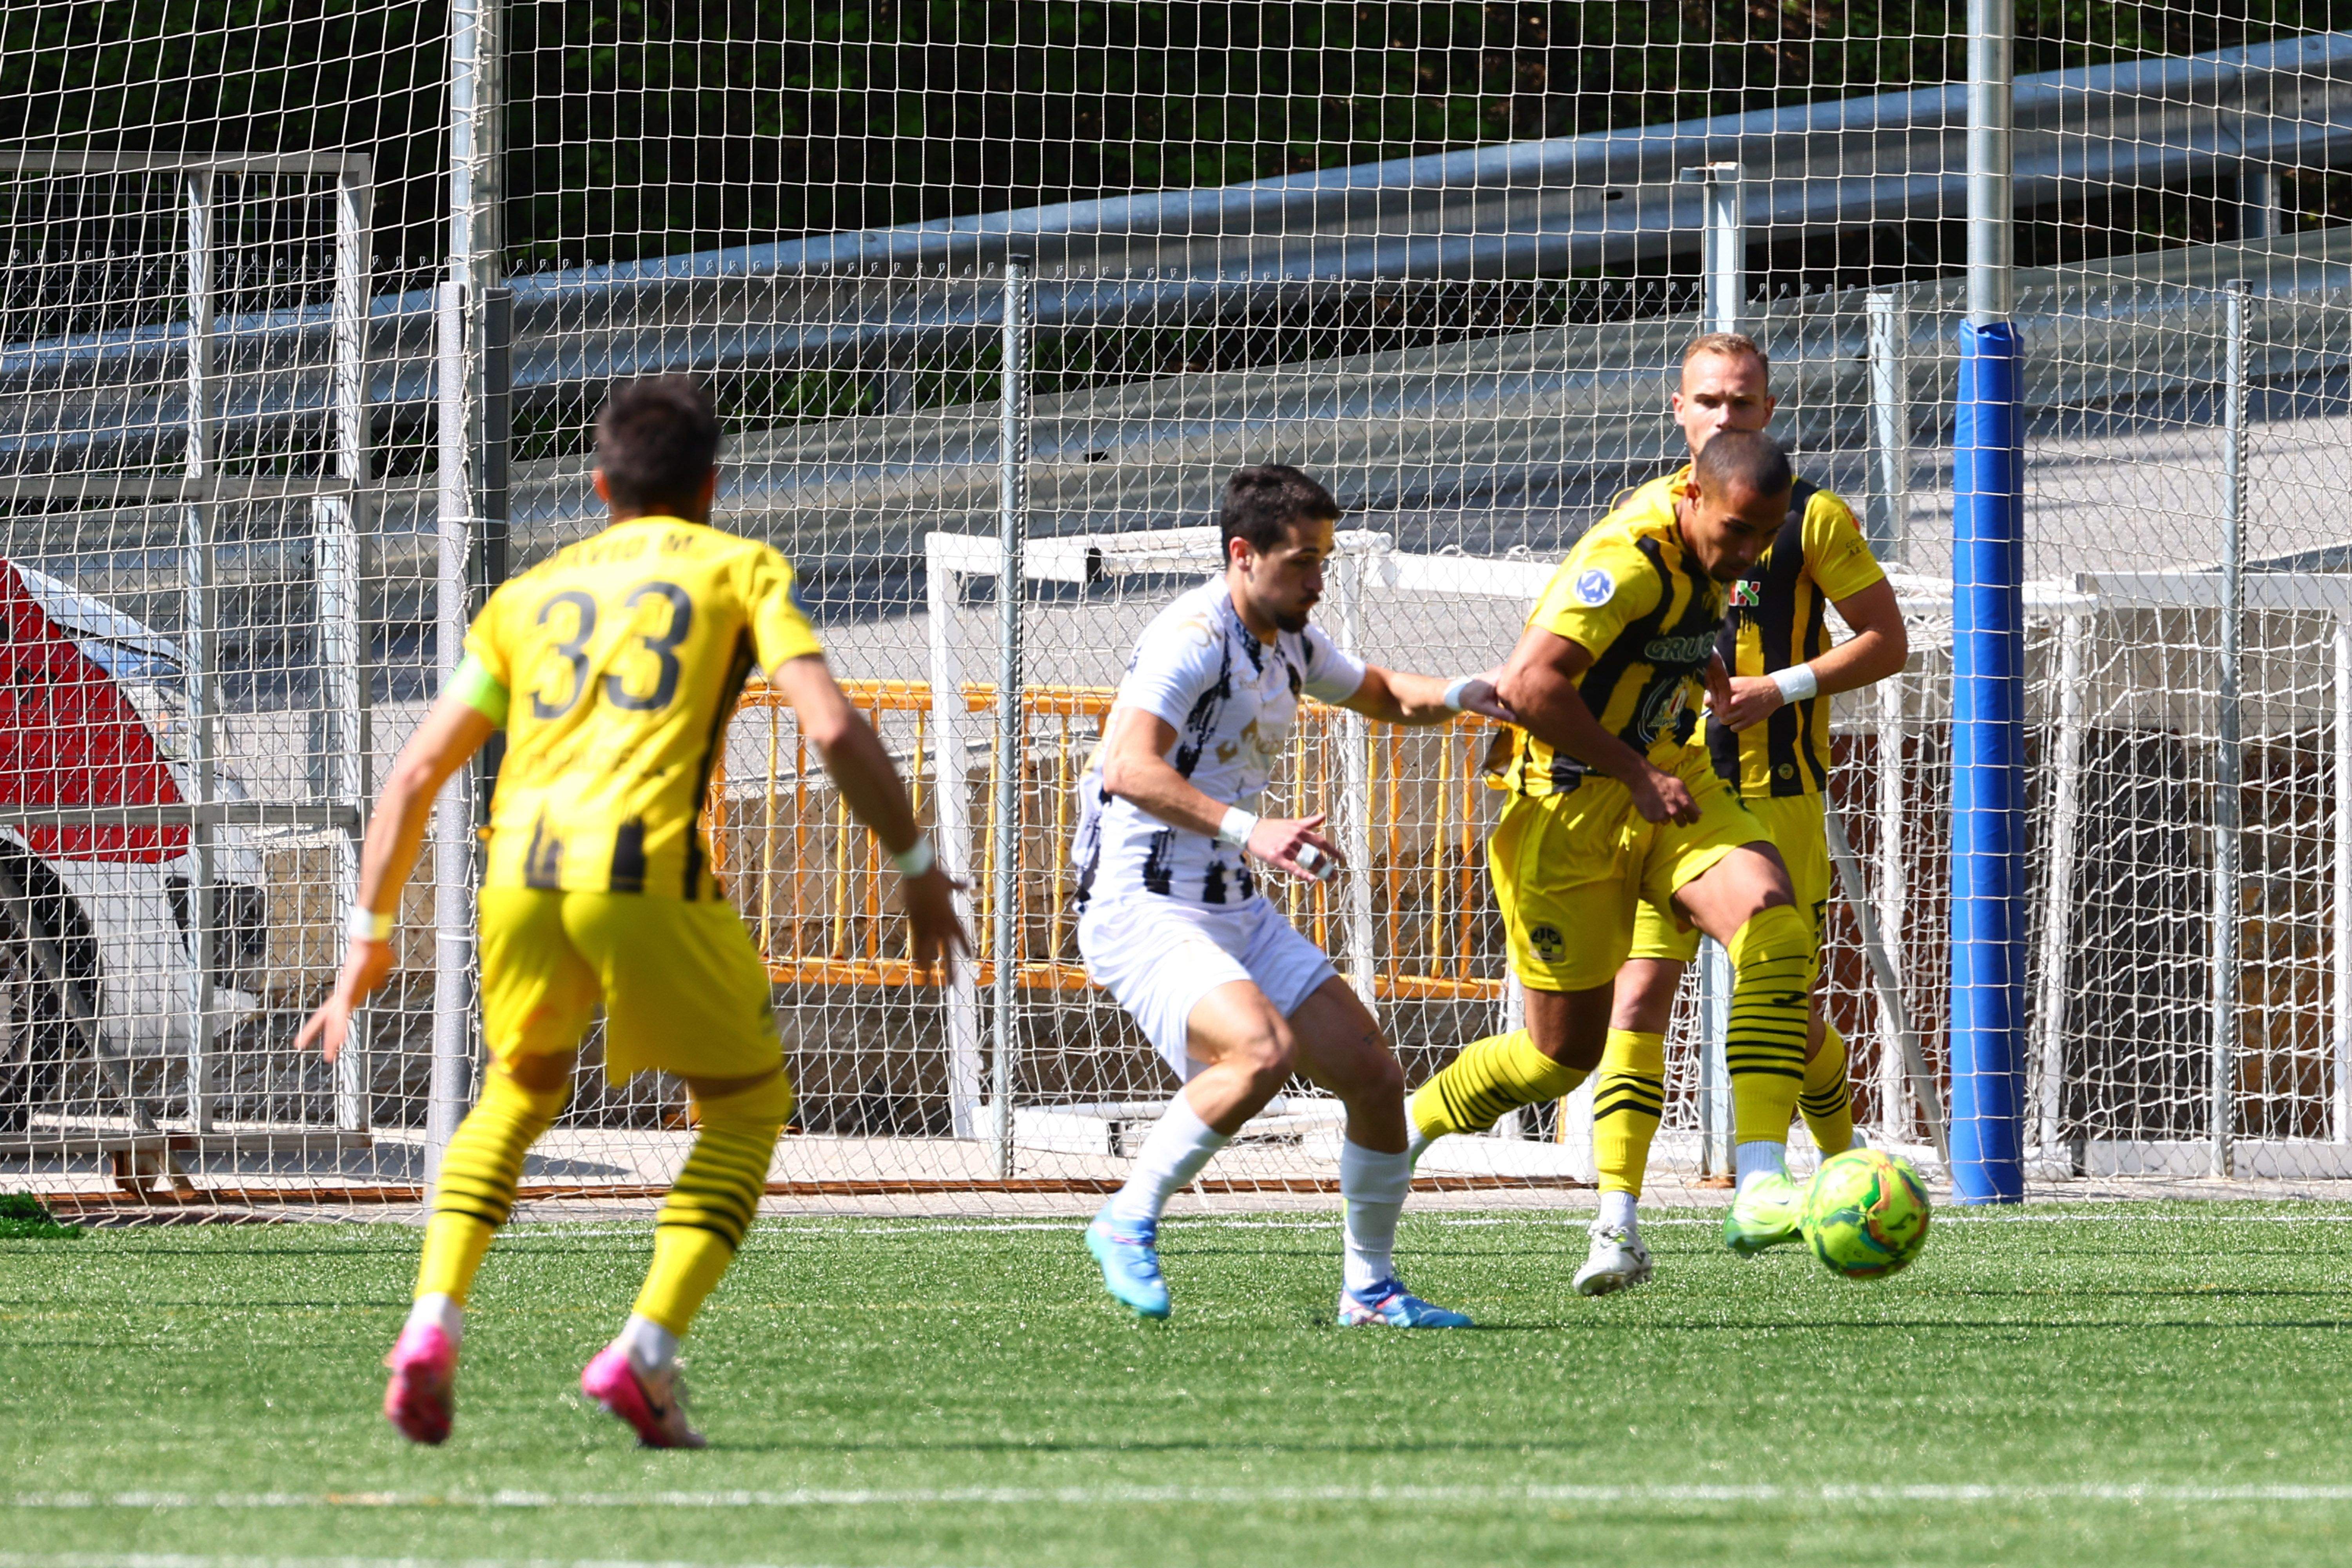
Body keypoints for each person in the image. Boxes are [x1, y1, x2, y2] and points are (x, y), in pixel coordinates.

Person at [296, 375, 966, 1448]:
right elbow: (835, 732)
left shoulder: (529, 597)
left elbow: (416, 774)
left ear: (598, 483)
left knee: (516, 1094)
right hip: (646, 874)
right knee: (744, 1113)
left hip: (517, 879)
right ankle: (644, 1356)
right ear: (710, 483)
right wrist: (916, 860)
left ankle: (431, 1324)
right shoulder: (740, 568)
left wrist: (366, 942)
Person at [1073, 463, 1511, 1327]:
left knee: (1375, 1077)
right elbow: (1126, 766)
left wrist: (1469, 694)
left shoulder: (1288, 643)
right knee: (1262, 1052)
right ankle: (1127, 1217)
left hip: (1232, 902)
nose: (1317, 580)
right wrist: (1251, 828)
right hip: (1142, 900)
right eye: (1304, 562)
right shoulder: (1192, 636)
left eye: (1323, 559)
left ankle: (1372, 1292)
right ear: (1244, 554)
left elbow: (1379, 692)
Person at [1405, 430, 1824, 1261]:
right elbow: (1528, 687)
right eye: (1736, 532)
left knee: (1776, 930)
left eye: (1765, 536)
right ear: (1693, 498)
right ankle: (1404, 1121)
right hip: (1567, 808)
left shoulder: (1710, 546)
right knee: (1559, 1057)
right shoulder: (1626, 558)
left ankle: (1761, 1182)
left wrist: (1692, 659)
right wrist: (1631, 770)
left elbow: (1660, 625)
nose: (1748, 554)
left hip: (1675, 779)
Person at [1572, 334, 1909, 1296]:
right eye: (1710, 401)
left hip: (1777, 799)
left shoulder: (1814, 519)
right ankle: (1617, 1223)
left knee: (1791, 1018)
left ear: (1770, 409)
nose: (1727, 416)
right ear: (1677, 410)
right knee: (1634, 998)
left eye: (1745, 402)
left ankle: (1849, 1175)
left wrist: (1784, 684)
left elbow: (1888, 642)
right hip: (1665, 796)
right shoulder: (1644, 522)